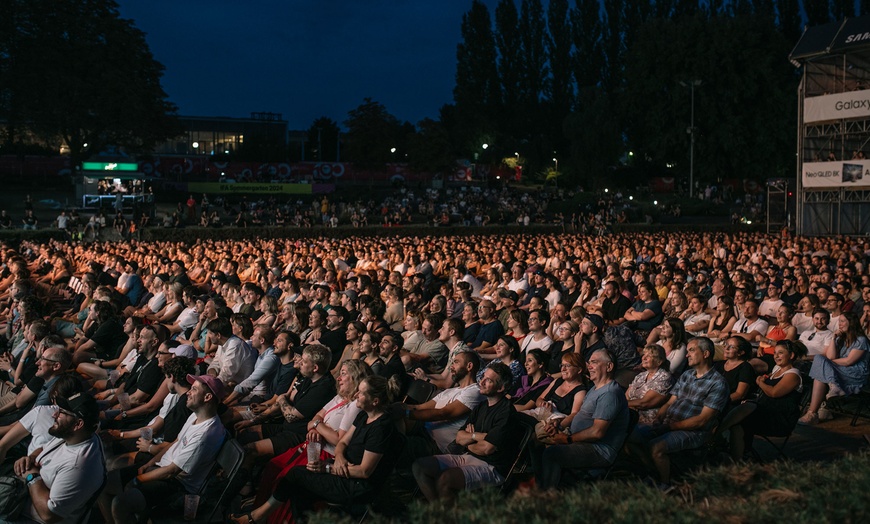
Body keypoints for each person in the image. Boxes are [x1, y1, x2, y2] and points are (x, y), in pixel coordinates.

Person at [230, 375, 400, 524]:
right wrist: (339, 457)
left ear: (375, 401)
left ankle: (257, 517)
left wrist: (327, 468)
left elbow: (364, 472)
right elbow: (342, 443)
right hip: (340, 468)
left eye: (361, 393)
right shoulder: (364, 415)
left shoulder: (381, 428)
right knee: (298, 489)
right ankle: (260, 517)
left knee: (296, 475)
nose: (356, 395)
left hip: (356, 485)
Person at [109, 375, 226, 522]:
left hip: (177, 484)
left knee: (120, 504)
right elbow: (175, 442)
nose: (188, 392)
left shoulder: (206, 434)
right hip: (161, 467)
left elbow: (172, 471)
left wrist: (137, 480)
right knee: (109, 481)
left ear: (208, 397)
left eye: (194, 389)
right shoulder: (195, 416)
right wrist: (148, 464)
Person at [412, 362, 520, 501]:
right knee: (420, 467)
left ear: (501, 388)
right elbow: (459, 437)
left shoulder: (507, 412)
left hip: (492, 467)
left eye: (489, 380)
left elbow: (487, 449)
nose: (481, 381)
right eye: (483, 377)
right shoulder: (482, 405)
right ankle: (439, 511)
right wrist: (477, 437)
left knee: (445, 479)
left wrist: (469, 438)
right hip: (468, 456)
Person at [629, 337, 729, 486]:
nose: (687, 354)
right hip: (668, 424)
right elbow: (670, 401)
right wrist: (659, 418)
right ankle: (654, 472)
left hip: (694, 431)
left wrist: (669, 427)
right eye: (687, 351)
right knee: (629, 438)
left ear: (706, 354)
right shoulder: (687, 375)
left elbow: (702, 420)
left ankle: (665, 484)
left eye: (691, 350)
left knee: (656, 447)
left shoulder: (717, 383)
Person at [534, 349, 630, 490]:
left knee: (552, 453)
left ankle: (547, 497)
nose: (589, 366)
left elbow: (597, 432)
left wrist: (568, 439)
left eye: (594, 362)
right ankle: (541, 486)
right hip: (579, 438)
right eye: (589, 362)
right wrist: (557, 423)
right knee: (536, 440)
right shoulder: (595, 389)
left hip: (599, 449)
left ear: (609, 367)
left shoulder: (610, 394)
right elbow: (579, 416)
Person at [13, 391, 106, 523]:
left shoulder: (78, 466)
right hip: (20, 500)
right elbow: (44, 448)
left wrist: (32, 476)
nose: (54, 414)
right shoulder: (75, 436)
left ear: (78, 424)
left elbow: (49, 515)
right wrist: (31, 458)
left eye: (62, 412)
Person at [729, 340, 806, 460]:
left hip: (779, 418)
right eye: (775, 353)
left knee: (738, 419)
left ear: (791, 356)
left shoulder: (793, 375)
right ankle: (740, 452)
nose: (776, 356)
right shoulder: (776, 369)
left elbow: (773, 392)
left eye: (780, 353)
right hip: (766, 411)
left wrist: (760, 383)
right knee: (737, 413)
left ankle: (733, 453)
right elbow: (767, 379)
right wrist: (763, 378)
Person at [402, 351, 484, 461]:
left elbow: (444, 413)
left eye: (456, 362)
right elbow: (421, 407)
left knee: (395, 441)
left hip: (435, 444)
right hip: (423, 430)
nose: (452, 366)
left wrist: (406, 414)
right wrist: (398, 408)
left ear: (469, 366)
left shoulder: (475, 391)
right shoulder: (449, 391)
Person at [799, 312, 870, 425]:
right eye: (839, 321)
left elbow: (848, 361)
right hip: (839, 371)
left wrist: (827, 363)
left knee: (820, 364)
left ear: (851, 323)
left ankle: (812, 413)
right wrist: (833, 338)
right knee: (820, 366)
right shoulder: (841, 338)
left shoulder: (861, 340)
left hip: (855, 374)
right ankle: (813, 412)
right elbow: (831, 356)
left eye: (842, 321)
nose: (839, 324)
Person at [626, 345, 673, 425]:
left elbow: (644, 403)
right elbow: (627, 395)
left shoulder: (664, 377)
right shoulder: (641, 375)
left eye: (649, 356)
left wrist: (622, 404)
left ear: (659, 361)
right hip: (628, 413)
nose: (643, 358)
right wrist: (629, 406)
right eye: (644, 355)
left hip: (646, 421)